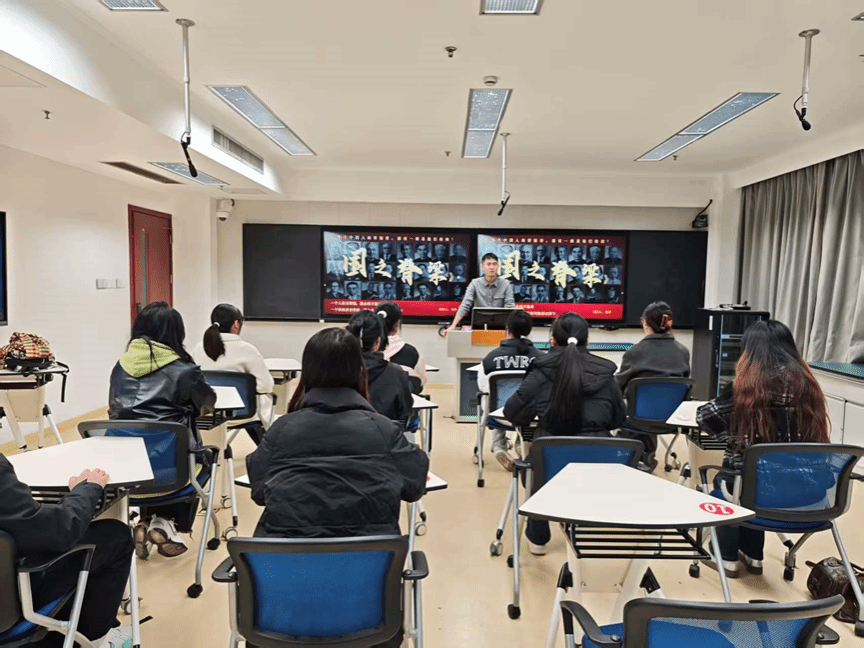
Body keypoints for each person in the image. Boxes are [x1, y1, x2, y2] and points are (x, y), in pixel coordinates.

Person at [246, 328, 427, 648]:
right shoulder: (384, 431)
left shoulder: (282, 430)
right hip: (368, 614)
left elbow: (259, 491)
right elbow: (414, 486)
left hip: (283, 612)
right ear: (360, 373)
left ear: (308, 374)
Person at [696, 320, 829, 578]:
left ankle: (726, 557)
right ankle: (753, 555)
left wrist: (736, 433)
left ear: (750, 352)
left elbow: (705, 418)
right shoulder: (810, 389)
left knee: (736, 480)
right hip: (808, 497)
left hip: (755, 493)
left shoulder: (746, 391)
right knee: (760, 476)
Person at [504, 312, 624, 554]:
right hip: (600, 469)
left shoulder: (540, 372)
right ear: (587, 341)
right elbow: (617, 419)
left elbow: (513, 413)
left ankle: (538, 538)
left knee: (535, 462)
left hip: (550, 468)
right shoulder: (605, 374)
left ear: (552, 341)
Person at [108, 302, 216, 559]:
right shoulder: (185, 371)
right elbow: (207, 405)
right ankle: (166, 523)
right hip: (172, 475)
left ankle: (150, 521)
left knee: (153, 452)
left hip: (125, 474)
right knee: (202, 456)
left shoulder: (120, 368)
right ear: (175, 333)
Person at [0, 461, 134, 648]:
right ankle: (92, 640)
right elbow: (60, 531)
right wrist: (85, 489)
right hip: (12, 603)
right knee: (116, 537)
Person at [615, 301, 691, 466]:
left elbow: (616, 388)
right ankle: (646, 454)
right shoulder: (683, 352)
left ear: (644, 322)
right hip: (671, 419)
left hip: (636, 419)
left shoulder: (634, 353)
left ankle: (635, 455)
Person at [192, 303, 275, 438]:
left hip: (208, 412)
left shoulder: (198, 349)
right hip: (242, 412)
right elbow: (266, 386)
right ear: (236, 324)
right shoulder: (248, 350)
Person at [477, 310, 544, 471]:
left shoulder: (491, 358)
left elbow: (483, 387)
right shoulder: (541, 359)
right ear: (529, 331)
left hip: (499, 416)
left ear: (508, 330)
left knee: (493, 399)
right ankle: (522, 444)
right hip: (531, 415)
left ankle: (499, 446)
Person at [347, 310, 414, 424]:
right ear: (378, 342)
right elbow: (405, 412)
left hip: (341, 434)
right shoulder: (396, 373)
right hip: (385, 433)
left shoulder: (334, 370)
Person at [444, 253, 516, 335]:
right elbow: (465, 305)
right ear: (482, 267)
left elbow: (510, 307)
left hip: (501, 329)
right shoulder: (475, 283)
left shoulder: (505, 284)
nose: (492, 267)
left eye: (494, 264)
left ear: (498, 266)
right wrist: (453, 325)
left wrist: (512, 330)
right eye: (488, 264)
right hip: (479, 328)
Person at [377, 301, 427, 392]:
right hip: (401, 399)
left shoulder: (363, 349)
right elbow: (421, 381)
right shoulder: (411, 352)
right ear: (397, 325)